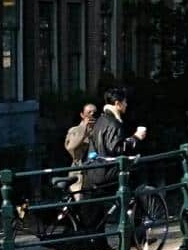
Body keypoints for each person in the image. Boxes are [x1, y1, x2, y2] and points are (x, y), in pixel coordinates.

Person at [84, 88, 148, 233]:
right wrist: (136, 137)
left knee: (97, 207)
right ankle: (135, 233)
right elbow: (117, 148)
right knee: (133, 185)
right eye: (125, 102)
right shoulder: (113, 123)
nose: (126, 105)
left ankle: (99, 240)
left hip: (95, 170)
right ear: (118, 103)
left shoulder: (101, 120)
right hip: (106, 171)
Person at [63, 103, 97, 193]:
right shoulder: (75, 130)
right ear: (82, 115)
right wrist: (84, 129)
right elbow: (71, 147)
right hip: (79, 175)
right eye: (89, 112)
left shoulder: (99, 130)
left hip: (96, 174)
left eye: (94, 112)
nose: (92, 114)